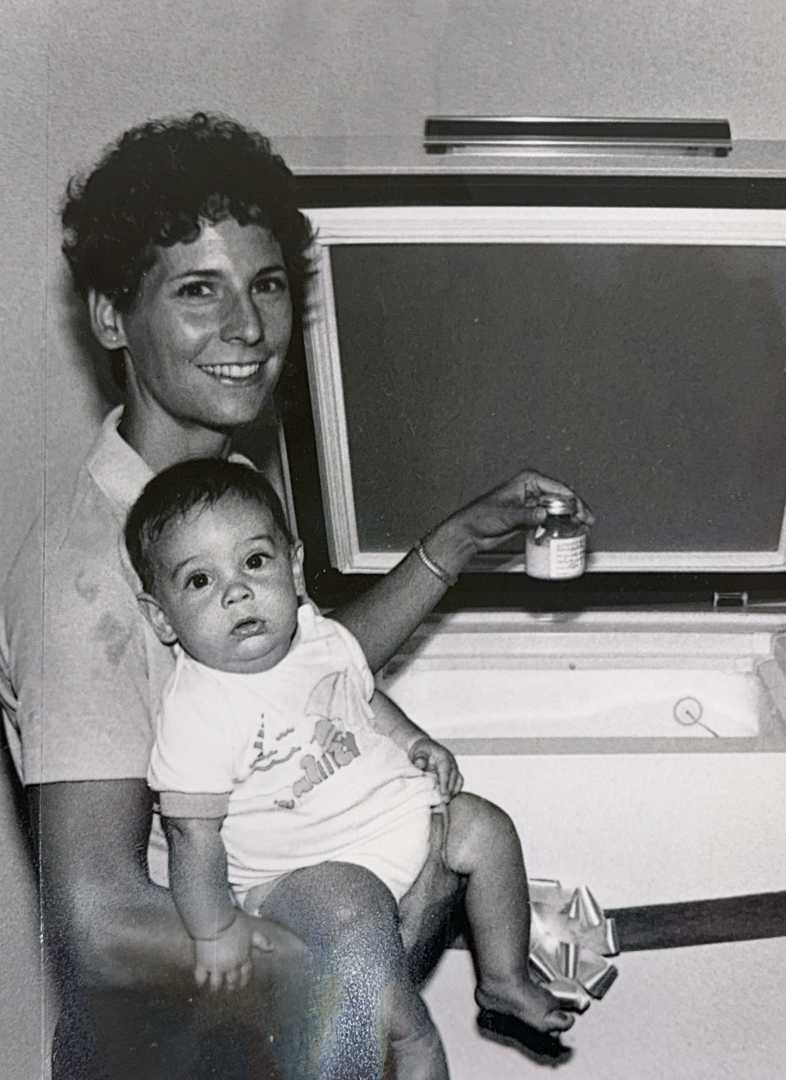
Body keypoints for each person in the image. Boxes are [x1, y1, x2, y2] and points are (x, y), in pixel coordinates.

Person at [0, 112, 591, 1079]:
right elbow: (100, 919)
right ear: (112, 316)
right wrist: (346, 959)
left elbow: (296, 667)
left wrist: (450, 546)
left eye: (266, 285)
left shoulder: (218, 490)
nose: (247, 328)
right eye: (199, 291)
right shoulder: (85, 584)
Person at [127, 459, 574, 1079]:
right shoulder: (199, 709)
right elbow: (190, 836)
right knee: (353, 916)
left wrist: (415, 741)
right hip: (303, 876)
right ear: (161, 617)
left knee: (487, 827)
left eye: (254, 562)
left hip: (393, 821)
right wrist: (213, 930)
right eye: (199, 581)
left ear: (294, 566)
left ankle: (503, 976)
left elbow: (358, 695)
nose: (236, 590)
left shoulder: (318, 639)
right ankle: (408, 1032)